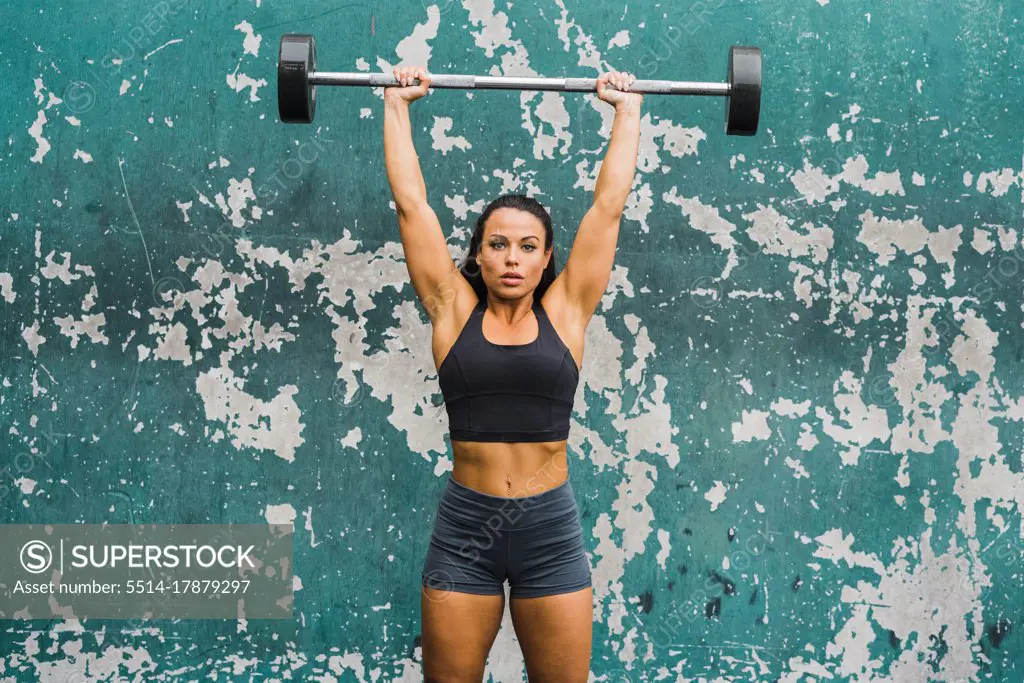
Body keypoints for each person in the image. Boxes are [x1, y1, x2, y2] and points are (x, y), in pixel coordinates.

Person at [383, 63, 641, 683]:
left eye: (528, 246)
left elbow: (607, 210)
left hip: (549, 529)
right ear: (478, 252)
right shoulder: (451, 309)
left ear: (548, 256)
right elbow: (411, 206)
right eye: (498, 244)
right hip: (465, 530)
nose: (512, 258)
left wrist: (627, 113)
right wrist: (396, 106)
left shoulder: (568, 310)